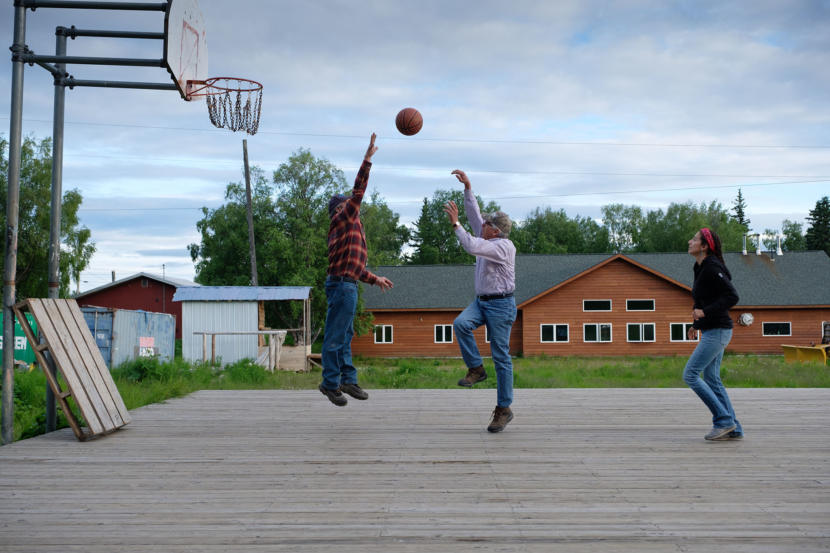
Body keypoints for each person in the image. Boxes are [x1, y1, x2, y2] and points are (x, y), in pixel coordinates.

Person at [319, 133, 393, 406]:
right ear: (340, 207)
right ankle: (330, 384)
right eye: (349, 202)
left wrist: (375, 279)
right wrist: (367, 160)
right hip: (342, 287)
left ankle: (348, 379)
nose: (355, 205)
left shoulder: (352, 228)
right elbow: (359, 192)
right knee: (336, 337)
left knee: (345, 335)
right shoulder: (344, 217)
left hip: (346, 284)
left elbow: (356, 268)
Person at [443, 169, 517, 433]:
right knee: (461, 324)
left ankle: (503, 409)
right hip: (482, 302)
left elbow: (471, 245)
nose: (481, 224)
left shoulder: (501, 247)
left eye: (486, 223)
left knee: (501, 357)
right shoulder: (487, 235)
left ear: (494, 230)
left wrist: (455, 224)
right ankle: (476, 368)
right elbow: (474, 216)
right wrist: (468, 188)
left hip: (501, 305)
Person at [683, 227, 743, 440]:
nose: (690, 241)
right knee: (711, 377)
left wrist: (705, 312)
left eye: (694, 239)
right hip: (711, 329)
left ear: (705, 246)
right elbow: (702, 300)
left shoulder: (711, 267)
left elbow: (732, 296)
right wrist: (696, 324)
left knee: (690, 374)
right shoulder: (699, 267)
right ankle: (734, 427)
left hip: (718, 330)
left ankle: (724, 421)